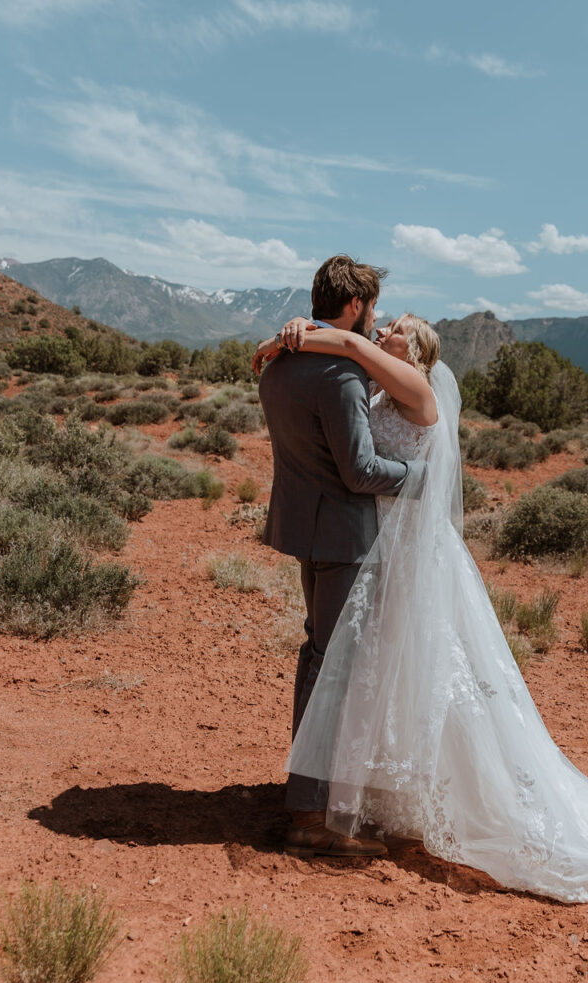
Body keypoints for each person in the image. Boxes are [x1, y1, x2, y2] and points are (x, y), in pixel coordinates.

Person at [255, 312, 588, 922]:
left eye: (397, 329)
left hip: (409, 550)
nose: (385, 331)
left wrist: (278, 340)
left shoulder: (415, 389)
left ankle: (450, 795)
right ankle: (377, 791)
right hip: (381, 547)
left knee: (427, 668)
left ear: (418, 353)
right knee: (386, 668)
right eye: (384, 324)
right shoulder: (375, 385)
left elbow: (346, 343)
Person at [256, 255, 426, 860]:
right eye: (373, 308)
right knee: (336, 672)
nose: (375, 318)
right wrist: (420, 475)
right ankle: (309, 813)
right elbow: (358, 473)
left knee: (320, 658)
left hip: (306, 530)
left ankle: (317, 792)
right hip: (347, 540)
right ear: (355, 306)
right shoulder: (340, 374)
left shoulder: (279, 364)